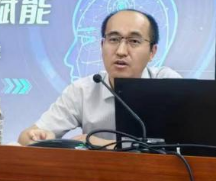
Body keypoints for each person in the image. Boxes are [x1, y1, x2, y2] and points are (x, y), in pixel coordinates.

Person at [18, 9, 181, 146]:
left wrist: (99, 144)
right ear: (102, 45)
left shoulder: (168, 84)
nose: (121, 51)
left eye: (134, 41)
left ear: (152, 52)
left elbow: (187, 147)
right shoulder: (83, 90)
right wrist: (40, 138)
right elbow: (25, 138)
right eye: (113, 39)